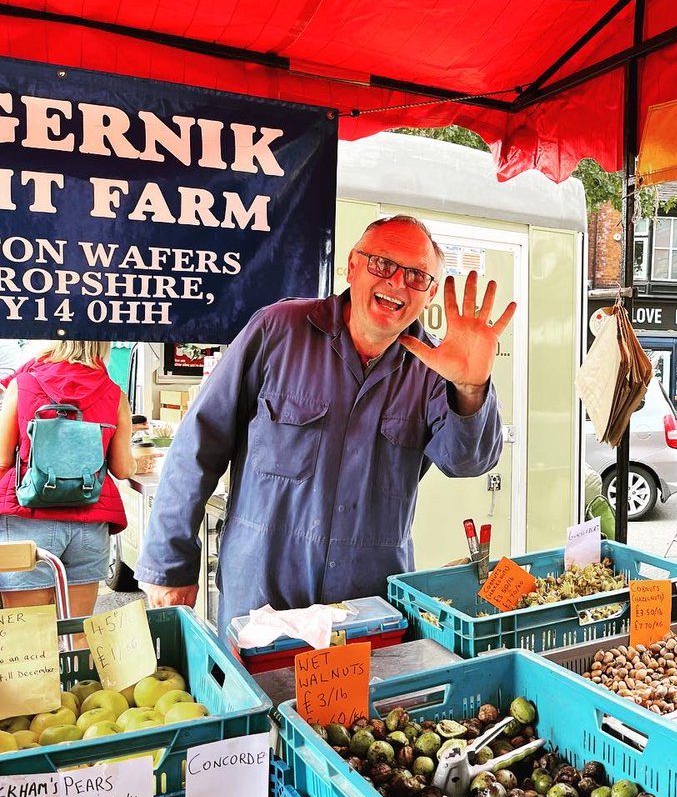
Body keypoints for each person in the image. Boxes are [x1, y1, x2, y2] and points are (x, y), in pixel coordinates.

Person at [136, 215, 514, 633]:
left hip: (366, 609)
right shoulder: (277, 330)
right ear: (352, 265)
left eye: (416, 275)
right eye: (382, 264)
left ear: (428, 295)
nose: (397, 283)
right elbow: (197, 443)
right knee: (259, 698)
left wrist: (471, 387)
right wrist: (170, 561)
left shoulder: (433, 367)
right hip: (261, 600)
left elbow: (468, 461)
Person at [0, 341, 133, 619]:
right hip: (89, 522)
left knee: (30, 638)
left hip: (28, 518)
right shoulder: (115, 394)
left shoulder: (23, 385)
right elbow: (122, 469)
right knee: (78, 634)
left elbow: (2, 460)